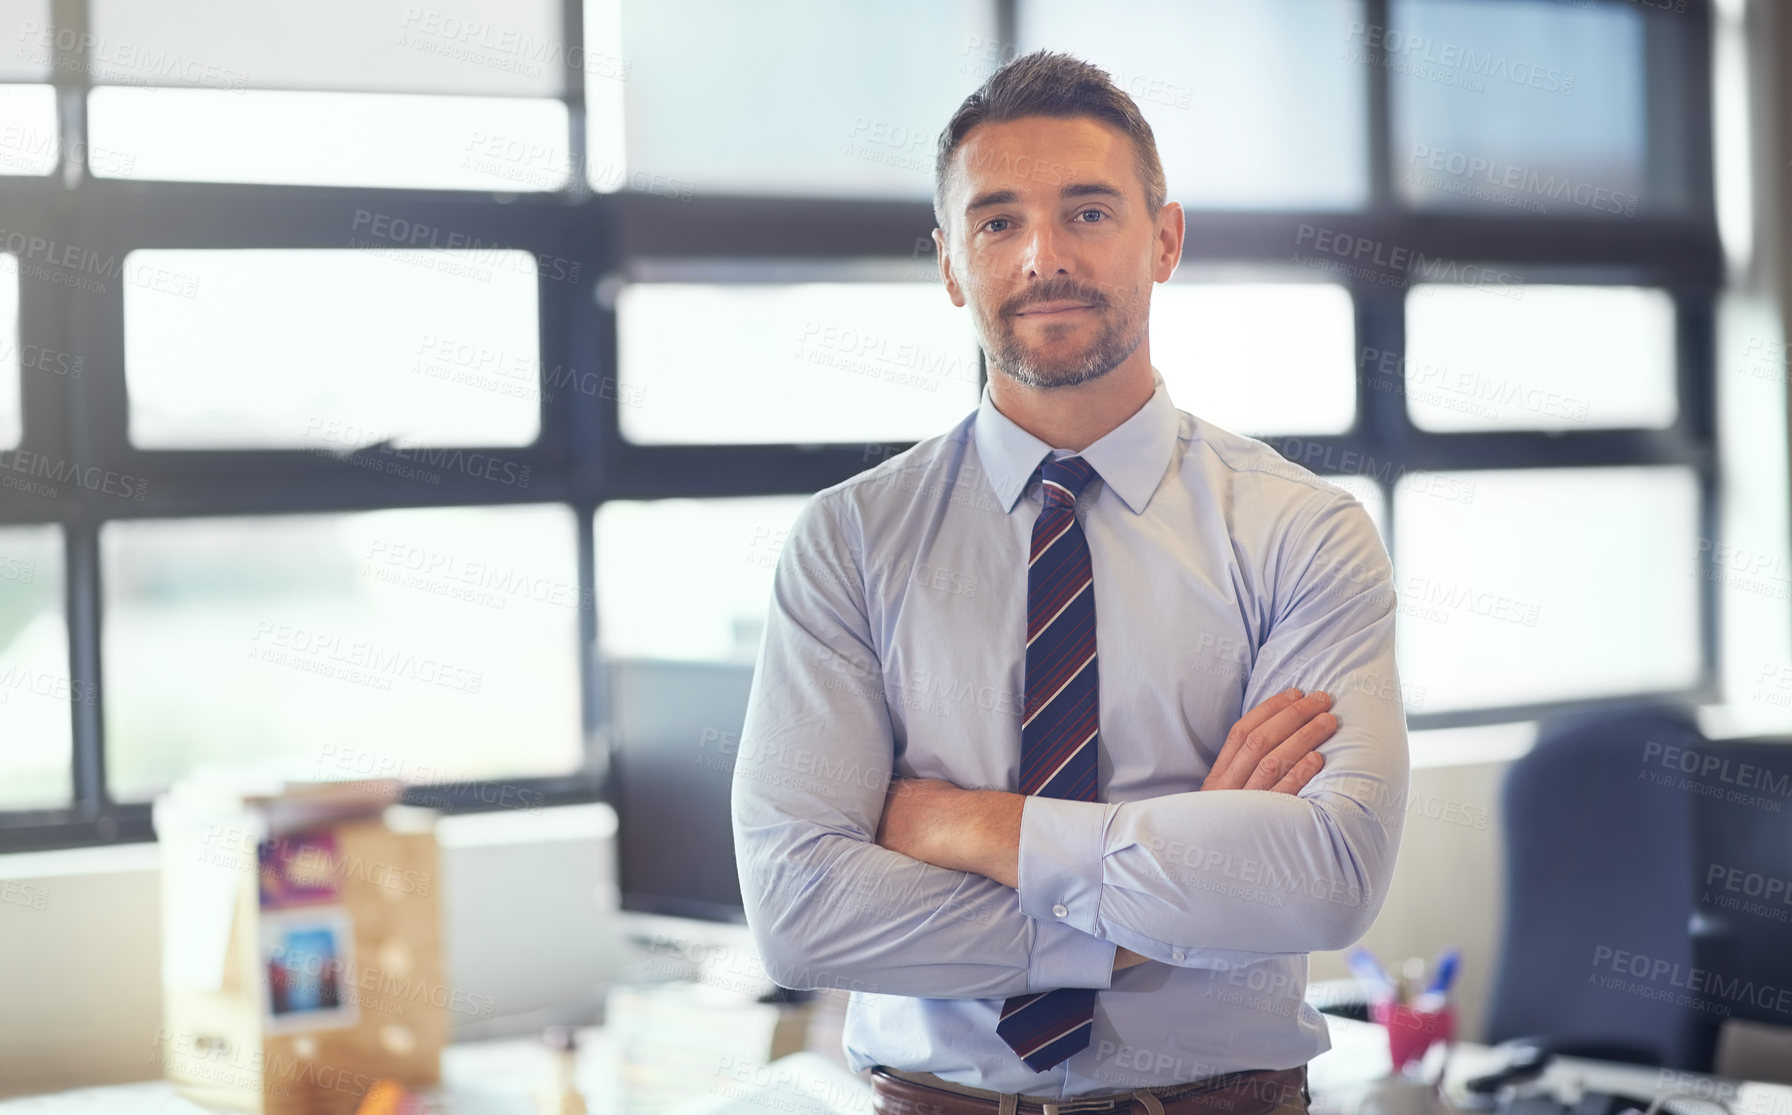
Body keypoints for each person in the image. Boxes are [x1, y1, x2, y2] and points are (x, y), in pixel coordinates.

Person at [730, 49, 1409, 1115]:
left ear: (1165, 239)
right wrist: (1157, 916)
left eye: (1088, 211)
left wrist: (966, 825)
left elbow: (1323, 875)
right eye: (996, 222)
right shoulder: (848, 541)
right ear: (952, 263)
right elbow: (802, 911)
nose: (1043, 254)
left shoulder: (1302, 532)